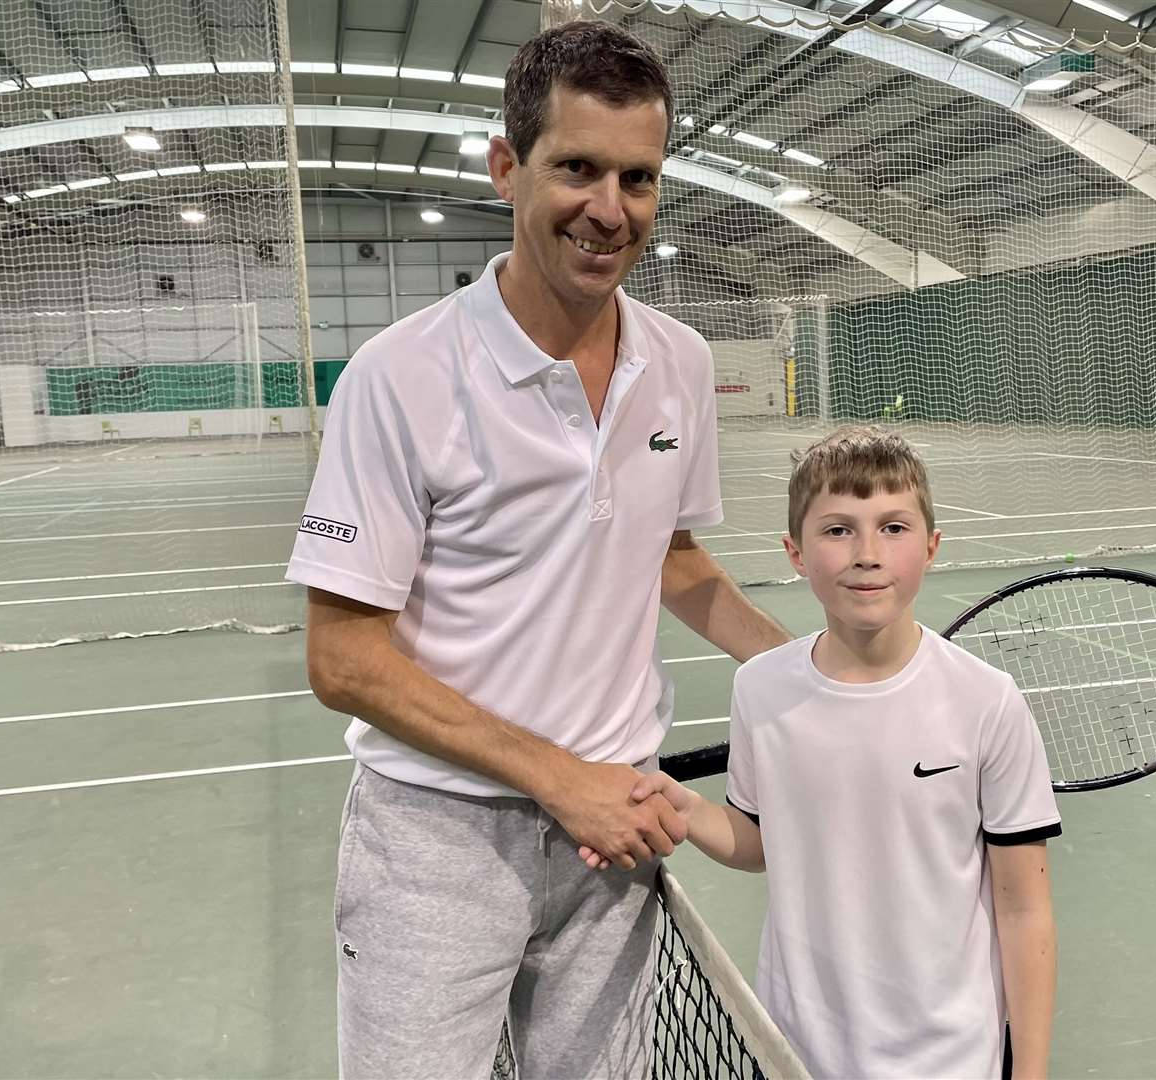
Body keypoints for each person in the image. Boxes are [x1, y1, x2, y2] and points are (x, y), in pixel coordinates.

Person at [287, 21, 791, 1079]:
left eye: (638, 178)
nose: (609, 210)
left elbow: (673, 557)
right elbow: (342, 660)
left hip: (619, 839)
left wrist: (801, 673)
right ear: (507, 168)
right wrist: (560, 780)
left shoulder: (680, 363)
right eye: (577, 168)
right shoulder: (400, 376)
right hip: (436, 847)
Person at [585, 427, 1061, 1079]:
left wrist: (1029, 1073)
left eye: (893, 528)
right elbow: (759, 843)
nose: (868, 554)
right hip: (797, 1049)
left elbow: (1023, 908)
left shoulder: (987, 701)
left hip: (949, 1057)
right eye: (838, 530)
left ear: (932, 546)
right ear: (795, 552)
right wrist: (682, 805)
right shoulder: (761, 686)